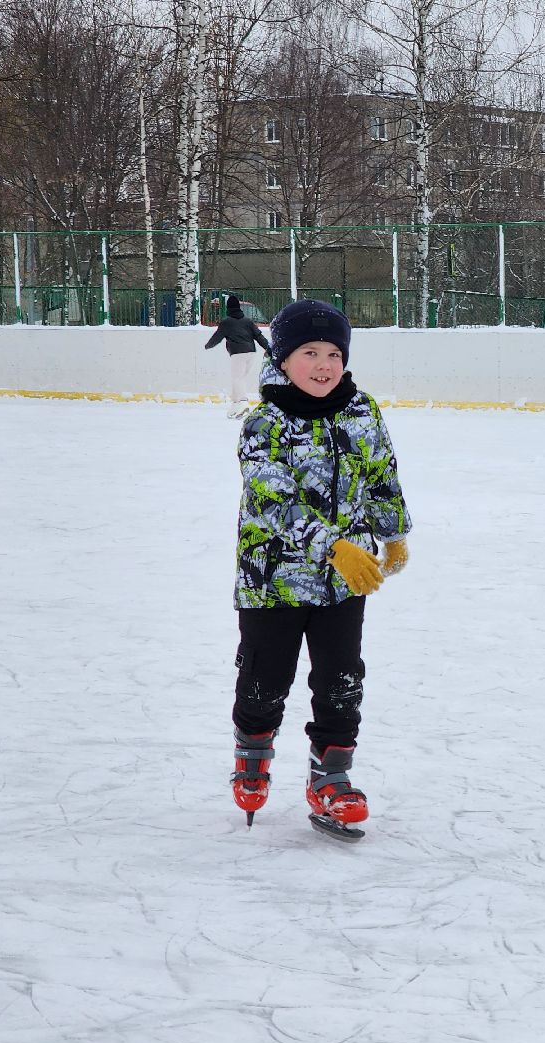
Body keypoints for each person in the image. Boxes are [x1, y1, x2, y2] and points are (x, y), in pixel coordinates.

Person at [229, 298, 412, 839]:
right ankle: (253, 754)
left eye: (334, 352)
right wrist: (333, 545)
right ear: (283, 358)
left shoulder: (362, 410)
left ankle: (331, 777)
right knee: (265, 677)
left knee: (341, 680)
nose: (324, 364)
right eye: (310, 351)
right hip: (273, 580)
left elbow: (382, 471)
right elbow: (271, 500)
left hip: (342, 584)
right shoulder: (264, 421)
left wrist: (393, 531)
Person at [204, 294, 271, 419]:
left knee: (237, 378)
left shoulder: (226, 322)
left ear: (228, 308)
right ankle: (235, 403)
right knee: (240, 378)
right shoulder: (247, 321)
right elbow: (259, 336)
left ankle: (243, 402)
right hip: (251, 353)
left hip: (238, 353)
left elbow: (217, 337)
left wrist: (208, 346)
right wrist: (269, 348)